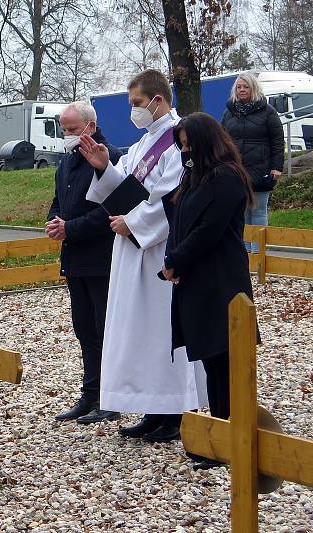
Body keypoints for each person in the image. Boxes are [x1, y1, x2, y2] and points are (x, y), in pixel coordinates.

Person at [77, 69, 206, 442]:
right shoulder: (145, 141)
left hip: (160, 250)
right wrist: (104, 166)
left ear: (158, 100)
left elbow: (173, 196)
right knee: (140, 330)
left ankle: (177, 411)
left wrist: (133, 223)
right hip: (133, 250)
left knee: (161, 328)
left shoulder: (179, 139)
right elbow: (128, 187)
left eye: (137, 104)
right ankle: (154, 407)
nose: (134, 111)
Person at [162, 112, 256, 469]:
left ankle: (232, 437)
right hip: (197, 277)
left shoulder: (227, 177)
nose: (185, 152)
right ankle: (218, 437)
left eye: (188, 145)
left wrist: (177, 261)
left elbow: (209, 230)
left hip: (221, 279)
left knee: (225, 360)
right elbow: (180, 221)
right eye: (182, 146)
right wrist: (174, 258)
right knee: (211, 361)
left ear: (204, 141)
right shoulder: (194, 175)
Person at [47, 101, 123, 424]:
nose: (67, 135)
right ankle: (90, 393)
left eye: (73, 129)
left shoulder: (109, 158)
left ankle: (111, 395)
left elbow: (112, 209)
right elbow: (58, 200)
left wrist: (71, 228)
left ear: (90, 127)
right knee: (84, 329)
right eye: (64, 130)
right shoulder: (66, 162)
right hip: (74, 259)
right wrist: (53, 221)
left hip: (101, 257)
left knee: (105, 329)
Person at [221, 72, 284, 252]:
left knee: (257, 211)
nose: (242, 90)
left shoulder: (268, 112)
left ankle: (259, 252)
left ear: (253, 88)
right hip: (236, 170)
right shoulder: (229, 112)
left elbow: (278, 140)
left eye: (245, 86)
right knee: (241, 211)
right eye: (239, 87)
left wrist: (276, 167)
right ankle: (246, 252)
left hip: (261, 169)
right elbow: (222, 138)